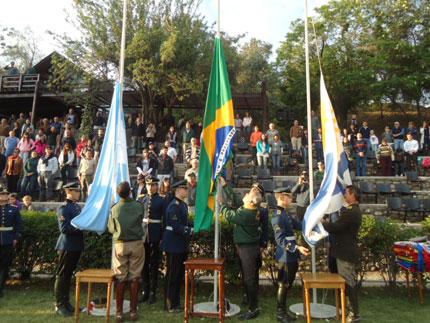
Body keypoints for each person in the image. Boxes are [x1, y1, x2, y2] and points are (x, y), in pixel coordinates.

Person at [219, 187, 262, 320]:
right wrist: (226, 187)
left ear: (249, 201)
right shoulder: (250, 209)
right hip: (249, 248)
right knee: (250, 278)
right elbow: (238, 200)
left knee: (249, 279)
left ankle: (252, 308)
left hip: (247, 250)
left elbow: (230, 215)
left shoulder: (246, 214)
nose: (246, 193)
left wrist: (221, 205)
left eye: (248, 193)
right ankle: (251, 303)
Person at [323, 185, 362, 322]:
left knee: (348, 283)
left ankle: (354, 314)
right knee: (343, 284)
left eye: (346, 193)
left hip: (345, 253)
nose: (344, 196)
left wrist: (321, 221)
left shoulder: (352, 212)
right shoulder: (351, 211)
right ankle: (345, 311)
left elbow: (335, 227)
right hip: (341, 252)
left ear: (352, 194)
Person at [108, 181, 145, 322]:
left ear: (118, 193)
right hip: (136, 243)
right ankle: (133, 312)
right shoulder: (138, 206)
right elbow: (141, 219)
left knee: (120, 277)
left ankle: (118, 313)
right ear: (130, 191)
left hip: (120, 244)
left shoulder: (115, 208)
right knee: (135, 277)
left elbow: (111, 229)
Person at [271, 188, 310, 323]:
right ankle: (280, 313)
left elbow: (298, 225)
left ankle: (283, 311)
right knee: (284, 283)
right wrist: (297, 247)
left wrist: (311, 223)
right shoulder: (277, 216)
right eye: (289, 197)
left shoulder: (285, 214)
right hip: (286, 256)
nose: (291, 199)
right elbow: (280, 240)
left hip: (291, 256)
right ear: (282, 197)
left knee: (287, 284)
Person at [162, 180, 193, 313]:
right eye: (184, 189)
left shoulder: (183, 205)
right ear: (178, 190)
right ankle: (170, 303)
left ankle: (175, 302)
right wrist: (190, 230)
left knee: (178, 274)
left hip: (180, 244)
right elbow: (175, 226)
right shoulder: (173, 206)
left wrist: (194, 225)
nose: (186, 191)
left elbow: (185, 221)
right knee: (172, 274)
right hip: (174, 244)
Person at [54, 182, 84, 316]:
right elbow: (64, 229)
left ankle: (66, 303)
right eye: (76, 191)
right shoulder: (64, 208)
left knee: (68, 275)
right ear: (69, 191)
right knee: (62, 275)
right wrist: (81, 226)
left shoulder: (76, 207)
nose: (79, 193)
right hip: (67, 245)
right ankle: (59, 304)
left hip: (75, 245)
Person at [138, 177, 164, 304]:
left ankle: (153, 292)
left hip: (155, 235)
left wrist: (162, 237)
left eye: (153, 185)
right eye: (148, 185)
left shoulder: (161, 200)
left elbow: (164, 220)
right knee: (143, 265)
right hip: (143, 235)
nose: (150, 187)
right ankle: (145, 291)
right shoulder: (141, 199)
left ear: (156, 186)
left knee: (153, 265)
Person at [0, 185, 22, 298]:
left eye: (5, 194)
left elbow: (18, 225)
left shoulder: (13, 209)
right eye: (2, 194)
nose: (4, 196)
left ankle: (1, 287)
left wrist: (15, 238)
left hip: (8, 239)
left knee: (5, 265)